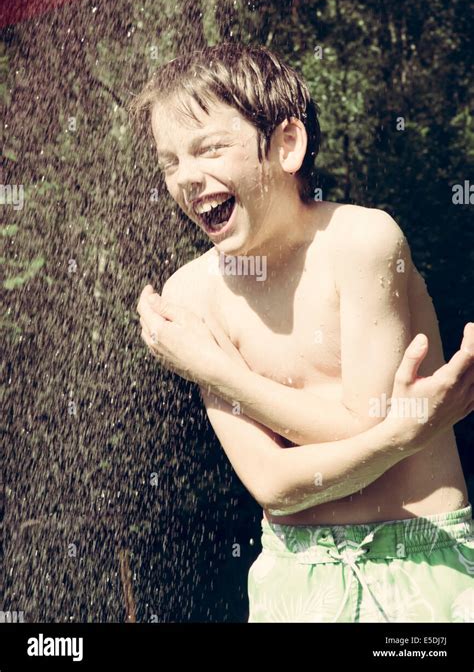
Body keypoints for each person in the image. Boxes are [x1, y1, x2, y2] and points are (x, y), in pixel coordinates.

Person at [131, 42, 474, 622]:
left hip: (422, 560)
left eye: (209, 148)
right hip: (293, 577)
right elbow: (273, 485)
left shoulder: (361, 242)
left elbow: (364, 425)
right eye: (170, 161)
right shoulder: (192, 296)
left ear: (287, 144)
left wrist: (214, 370)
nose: (187, 177)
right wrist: (401, 435)